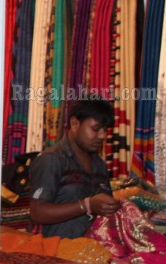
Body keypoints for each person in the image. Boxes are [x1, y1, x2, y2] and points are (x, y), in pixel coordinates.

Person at [28, 99, 120, 238]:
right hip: (55, 252)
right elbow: (37, 212)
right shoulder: (52, 160)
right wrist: (86, 205)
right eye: (95, 129)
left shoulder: (98, 164)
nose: (102, 136)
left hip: (90, 251)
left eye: (105, 130)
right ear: (75, 124)